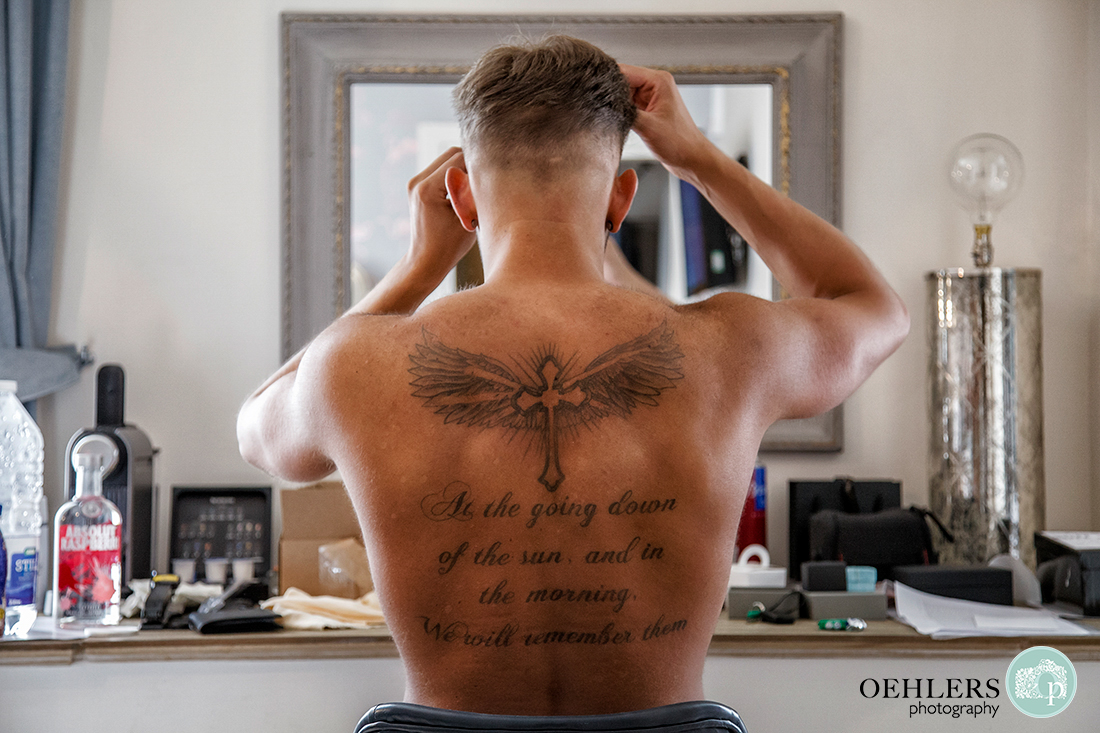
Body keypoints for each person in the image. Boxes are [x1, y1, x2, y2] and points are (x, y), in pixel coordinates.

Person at [238, 36, 908, 723]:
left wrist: (417, 265)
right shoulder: (728, 347)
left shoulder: (359, 365)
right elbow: (876, 311)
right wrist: (700, 161)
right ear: (622, 196)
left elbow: (258, 431)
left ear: (463, 197)